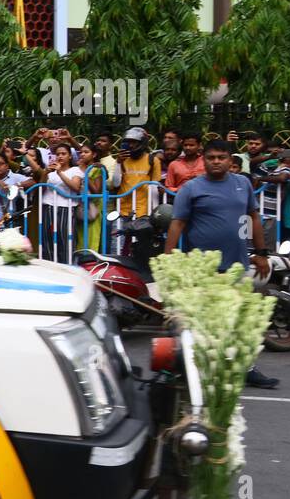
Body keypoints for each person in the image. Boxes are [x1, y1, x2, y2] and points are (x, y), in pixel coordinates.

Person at [164, 138, 278, 388]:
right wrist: (168, 258)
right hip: (203, 269)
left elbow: (254, 217)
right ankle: (197, 371)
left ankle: (246, 369)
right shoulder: (191, 188)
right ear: (204, 159)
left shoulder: (242, 184)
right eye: (211, 157)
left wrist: (261, 253)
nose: (216, 162)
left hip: (236, 265)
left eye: (221, 157)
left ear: (230, 160)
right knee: (202, 322)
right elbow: (177, 224)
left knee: (239, 322)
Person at [38, 144, 83, 264]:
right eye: (58, 154)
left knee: (65, 239)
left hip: (66, 208)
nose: (60, 156)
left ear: (70, 156)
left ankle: (67, 266)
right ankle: (49, 266)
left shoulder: (75, 170)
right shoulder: (51, 172)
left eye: (64, 154)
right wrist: (45, 173)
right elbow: (41, 189)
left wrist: (60, 172)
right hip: (48, 206)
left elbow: (75, 187)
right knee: (47, 239)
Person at [114, 127, 163, 218]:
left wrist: (155, 211)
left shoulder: (153, 160)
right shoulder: (123, 159)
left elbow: (154, 187)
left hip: (143, 211)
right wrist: (118, 163)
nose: (131, 145)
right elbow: (116, 183)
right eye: (128, 142)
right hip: (123, 209)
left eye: (134, 142)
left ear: (142, 143)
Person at [0, 151, 31, 228]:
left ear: (7, 165)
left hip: (8, 224)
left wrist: (17, 185)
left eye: (0, 164)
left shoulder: (15, 177)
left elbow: (32, 182)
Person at [76, 143, 106, 252]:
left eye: (86, 152)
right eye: (81, 152)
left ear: (94, 155)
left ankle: (91, 263)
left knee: (92, 238)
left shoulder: (97, 169)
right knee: (80, 239)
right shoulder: (77, 169)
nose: (82, 154)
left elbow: (97, 191)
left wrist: (85, 174)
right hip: (80, 207)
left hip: (94, 208)